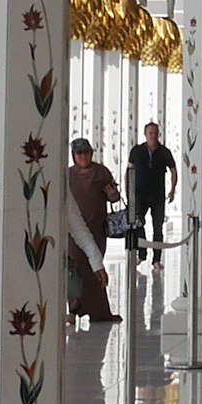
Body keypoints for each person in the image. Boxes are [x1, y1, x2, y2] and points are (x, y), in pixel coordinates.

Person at [65, 136, 122, 326]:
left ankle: (99, 310)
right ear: (74, 156)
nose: (83, 157)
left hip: (96, 229)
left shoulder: (101, 172)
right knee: (75, 269)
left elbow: (114, 196)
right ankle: (73, 308)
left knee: (94, 269)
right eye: (79, 153)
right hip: (73, 232)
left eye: (86, 153)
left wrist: (113, 195)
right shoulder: (68, 175)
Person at [127, 122, 176, 257]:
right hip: (139, 193)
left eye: (155, 133)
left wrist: (173, 189)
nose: (153, 136)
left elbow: (173, 170)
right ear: (145, 134)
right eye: (150, 133)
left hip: (157, 195)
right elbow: (130, 170)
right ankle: (142, 253)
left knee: (158, 227)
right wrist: (129, 192)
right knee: (138, 223)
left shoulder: (164, 152)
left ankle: (157, 259)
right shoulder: (136, 151)